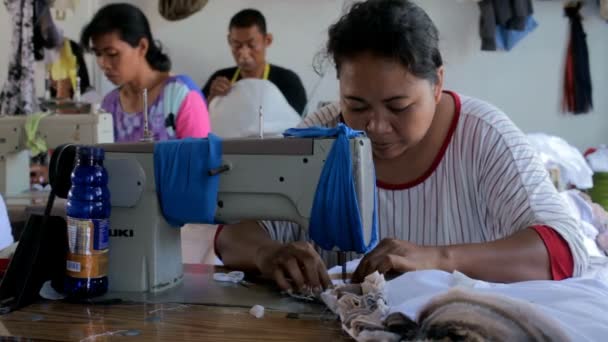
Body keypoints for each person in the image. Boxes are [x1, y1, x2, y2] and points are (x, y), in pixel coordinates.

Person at [215, 0, 589, 292]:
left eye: (399, 107)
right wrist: (268, 253)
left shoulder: (483, 136)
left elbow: (563, 250)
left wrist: (438, 259)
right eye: (356, 105)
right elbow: (232, 234)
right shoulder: (321, 136)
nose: (375, 126)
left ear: (438, 84)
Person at [81, 3, 211, 142]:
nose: (103, 64)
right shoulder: (110, 104)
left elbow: (199, 160)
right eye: (98, 54)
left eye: (112, 54)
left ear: (142, 47)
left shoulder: (180, 95)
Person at [202, 9, 308, 115]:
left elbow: (298, 126)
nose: (244, 53)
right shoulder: (220, 79)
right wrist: (211, 101)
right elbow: (196, 123)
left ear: (267, 40)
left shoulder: (288, 82)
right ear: (229, 41)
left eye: (251, 45)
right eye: (237, 45)